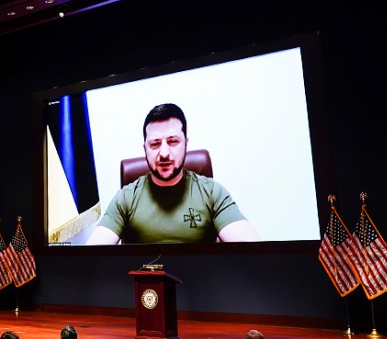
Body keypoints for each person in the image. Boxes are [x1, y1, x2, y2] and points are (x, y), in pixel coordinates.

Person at [86, 103, 258, 244]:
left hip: (198, 284)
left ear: (186, 144)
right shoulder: (125, 198)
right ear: (144, 148)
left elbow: (249, 247)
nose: (164, 153)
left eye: (173, 141)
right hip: (145, 286)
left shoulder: (212, 193)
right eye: (155, 144)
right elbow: (93, 254)